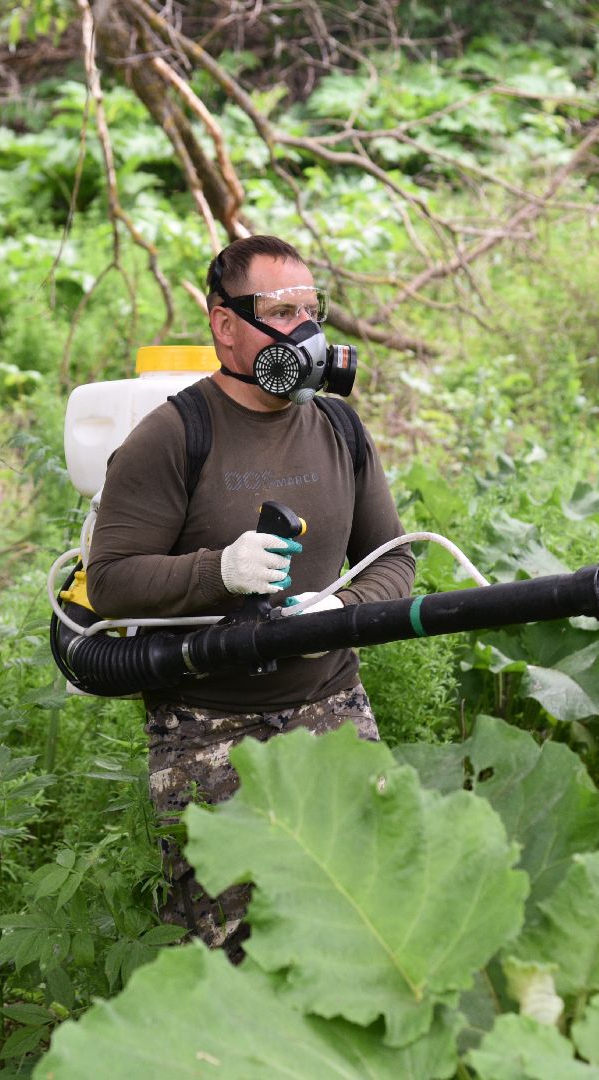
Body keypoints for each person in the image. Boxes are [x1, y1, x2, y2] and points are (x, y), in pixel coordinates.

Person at [85, 235, 416, 957]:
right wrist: (217, 572)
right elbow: (108, 583)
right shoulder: (173, 436)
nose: (304, 332)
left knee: (376, 923)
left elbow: (396, 562)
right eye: (280, 311)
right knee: (241, 949)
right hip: (208, 725)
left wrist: (339, 610)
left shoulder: (339, 428)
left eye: (311, 310)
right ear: (225, 326)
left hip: (333, 708)